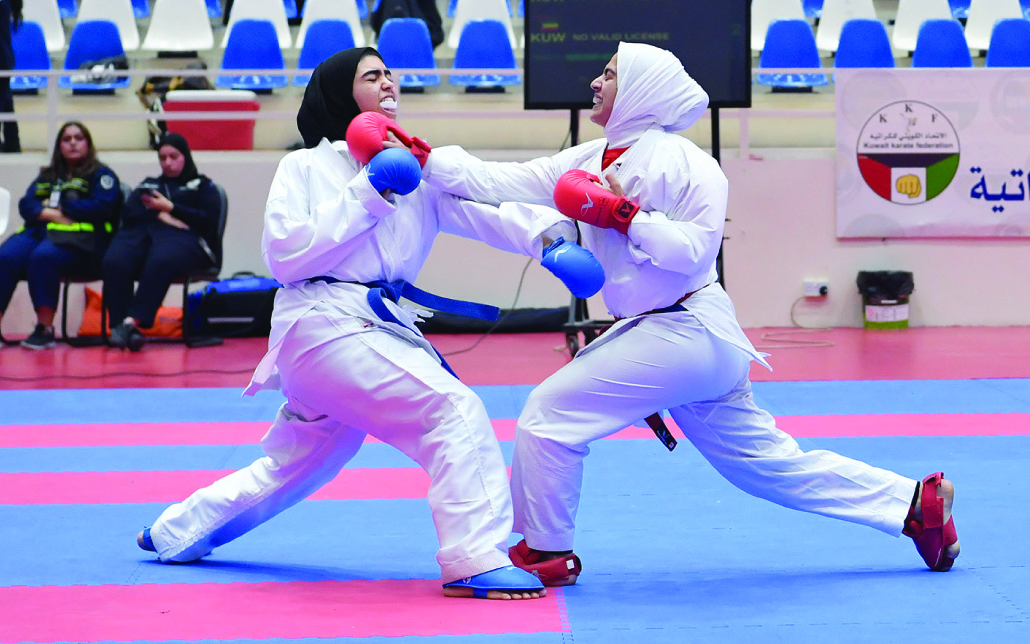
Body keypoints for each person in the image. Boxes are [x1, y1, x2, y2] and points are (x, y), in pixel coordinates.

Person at [415, 42, 960, 585]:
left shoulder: (690, 164)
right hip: (669, 337)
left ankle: (546, 550)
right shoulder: (583, 160)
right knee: (765, 466)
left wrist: (625, 215)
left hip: (688, 329)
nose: (595, 84)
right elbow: (494, 181)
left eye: (609, 74)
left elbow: (695, 253)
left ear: (641, 88)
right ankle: (914, 504)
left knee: (547, 412)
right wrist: (421, 159)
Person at [135, 48, 601, 600]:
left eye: (389, 74)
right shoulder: (305, 167)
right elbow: (285, 256)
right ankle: (474, 558)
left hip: (371, 329)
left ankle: (175, 532)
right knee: (451, 412)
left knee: (296, 464)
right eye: (371, 75)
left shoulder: (414, 168)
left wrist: (549, 242)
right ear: (340, 92)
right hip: (320, 322)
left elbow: (486, 211)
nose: (388, 83)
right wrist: (369, 190)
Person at [0, 121, 120, 349]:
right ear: (59, 146)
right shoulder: (48, 175)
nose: (72, 143)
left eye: (78, 138)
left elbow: (100, 207)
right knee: (4, 257)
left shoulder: (102, 175)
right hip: (39, 232)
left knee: (43, 258)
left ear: (88, 144)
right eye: (66, 139)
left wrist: (61, 206)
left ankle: (45, 329)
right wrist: (51, 214)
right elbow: (26, 204)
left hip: (82, 243)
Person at [102, 132, 221, 352]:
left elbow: (207, 220)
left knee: (163, 257)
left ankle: (129, 323)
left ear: (185, 156)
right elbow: (129, 211)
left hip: (189, 244)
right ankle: (124, 329)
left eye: (173, 157)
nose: (167, 162)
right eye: (162, 158)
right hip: (147, 239)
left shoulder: (202, 186)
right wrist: (162, 215)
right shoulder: (150, 185)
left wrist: (172, 208)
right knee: (115, 259)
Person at [0, 0, 22, 153]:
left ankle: (3, 145)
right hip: (3, 59)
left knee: (0, 104)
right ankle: (13, 144)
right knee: (5, 102)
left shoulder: (0, 6)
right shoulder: (3, 5)